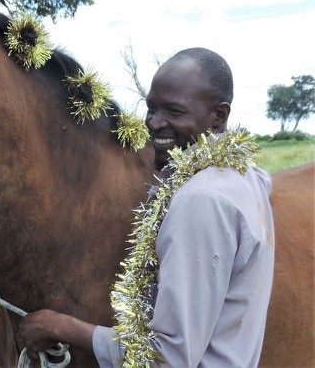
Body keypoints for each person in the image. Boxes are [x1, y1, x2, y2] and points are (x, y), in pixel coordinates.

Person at [18, 47, 275, 366]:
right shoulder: (244, 175)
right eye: (151, 108)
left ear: (218, 115)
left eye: (174, 111)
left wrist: (60, 326)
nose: (154, 123)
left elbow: (167, 357)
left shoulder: (201, 199)